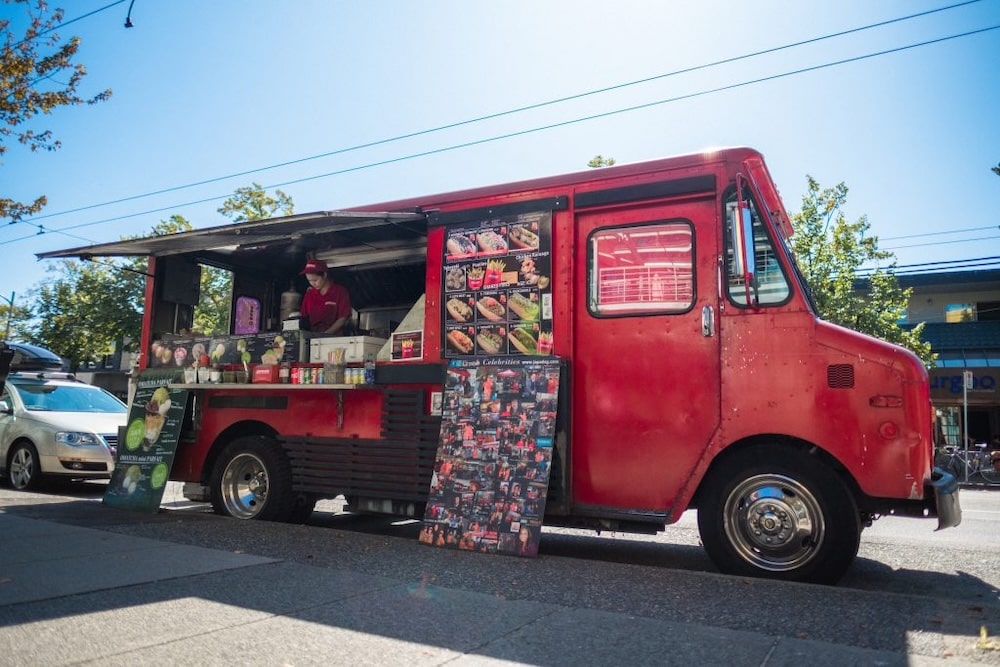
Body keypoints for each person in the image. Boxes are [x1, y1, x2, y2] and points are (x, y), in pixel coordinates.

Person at [299, 258, 352, 335]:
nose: (312, 284)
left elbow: (343, 318)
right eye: (309, 281)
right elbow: (303, 317)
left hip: (335, 339)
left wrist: (326, 334)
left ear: (324, 274)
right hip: (312, 338)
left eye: (315, 280)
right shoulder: (309, 294)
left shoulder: (340, 292)